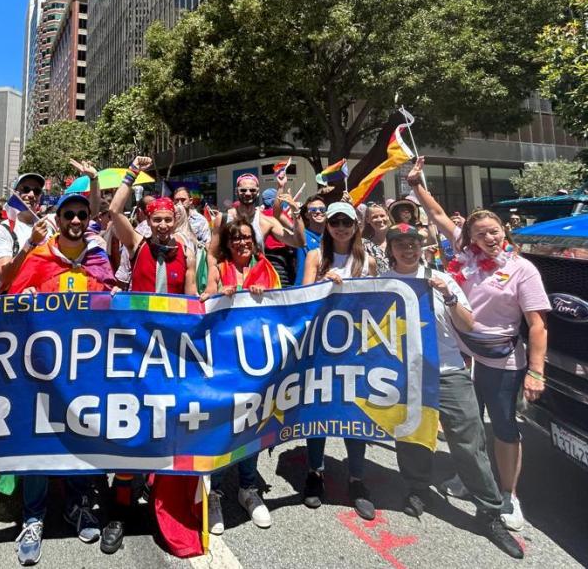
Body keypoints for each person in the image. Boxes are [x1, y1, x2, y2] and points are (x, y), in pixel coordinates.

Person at [405, 157, 550, 531]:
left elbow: (537, 325)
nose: (490, 237)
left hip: (501, 359)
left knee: (502, 426)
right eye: (482, 233)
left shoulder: (522, 269)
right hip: (462, 352)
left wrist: (536, 371)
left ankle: (508, 495)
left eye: (495, 231)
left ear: (505, 231)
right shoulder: (464, 254)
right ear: (470, 238)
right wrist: (416, 184)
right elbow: (436, 213)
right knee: (468, 423)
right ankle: (471, 478)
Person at [381, 223, 524, 558]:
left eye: (412, 243)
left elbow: (467, 323)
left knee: (468, 440)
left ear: (422, 247)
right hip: (407, 375)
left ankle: (489, 511)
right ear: (390, 250)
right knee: (411, 434)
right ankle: (418, 487)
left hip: (447, 372)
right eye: (400, 244)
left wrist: (447, 295)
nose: (407, 249)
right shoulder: (381, 285)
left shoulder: (443, 278)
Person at [5, 192, 112, 564]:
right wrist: (25, 295)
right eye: (70, 214)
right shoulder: (38, 258)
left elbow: (109, 308)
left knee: (80, 436)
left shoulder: (98, 259)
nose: (77, 220)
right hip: (40, 372)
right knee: (38, 441)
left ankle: (78, 503)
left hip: (84, 371)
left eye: (83, 214)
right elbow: (8, 299)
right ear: (59, 218)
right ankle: (33, 516)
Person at [201, 219, 282, 535]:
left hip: (258, 364)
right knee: (223, 426)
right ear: (228, 242)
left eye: (246, 237)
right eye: (235, 238)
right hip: (224, 363)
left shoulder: (267, 268)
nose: (241, 243)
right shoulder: (218, 267)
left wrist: (263, 296)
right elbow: (205, 301)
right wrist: (221, 294)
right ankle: (215, 492)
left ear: (254, 240)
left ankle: (248, 488)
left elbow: (283, 310)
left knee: (253, 425)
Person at [299, 202, 378, 520]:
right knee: (318, 410)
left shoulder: (367, 260)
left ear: (356, 226)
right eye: (335, 222)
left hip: (356, 348)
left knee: (355, 413)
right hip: (321, 345)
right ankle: (315, 473)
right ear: (327, 226)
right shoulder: (315, 256)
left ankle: (357, 479)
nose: (341, 227)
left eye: (347, 221)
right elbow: (301, 299)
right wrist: (321, 282)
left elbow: (376, 302)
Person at [108, 157, 196, 295]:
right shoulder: (137, 244)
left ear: (175, 221)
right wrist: (133, 172)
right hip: (140, 315)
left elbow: (191, 301)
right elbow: (114, 210)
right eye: (157, 220)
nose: (163, 225)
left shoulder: (186, 254)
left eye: (168, 220)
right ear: (148, 221)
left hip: (171, 316)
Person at [218, 172, 305, 254]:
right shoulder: (223, 218)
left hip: (257, 269)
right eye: (243, 190)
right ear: (236, 191)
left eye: (252, 190)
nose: (248, 193)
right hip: (229, 269)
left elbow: (299, 243)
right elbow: (212, 254)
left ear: (258, 192)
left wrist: (296, 211)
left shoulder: (266, 222)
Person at [0, 171, 46, 287]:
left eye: (37, 191)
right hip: (15, 301)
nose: (31, 195)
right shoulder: (4, 229)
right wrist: (31, 242)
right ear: (15, 194)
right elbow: (5, 276)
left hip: (45, 300)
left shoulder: (48, 226)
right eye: (25, 189)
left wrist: (93, 179)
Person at [362, 203, 391, 273]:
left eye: (382, 216)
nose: (380, 220)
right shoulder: (363, 245)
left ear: (387, 216)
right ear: (367, 220)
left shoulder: (398, 240)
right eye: (375, 217)